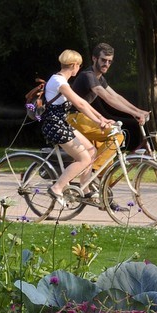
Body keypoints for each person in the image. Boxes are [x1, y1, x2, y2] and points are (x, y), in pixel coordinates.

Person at [41, 50, 114, 203]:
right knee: (84, 159)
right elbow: (80, 104)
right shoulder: (59, 82)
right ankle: (57, 188)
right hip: (55, 126)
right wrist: (98, 121)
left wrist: (102, 118)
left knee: (91, 150)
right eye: (78, 66)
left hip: (61, 124)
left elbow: (84, 103)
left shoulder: (61, 81)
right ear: (74, 65)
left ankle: (85, 188)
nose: (79, 69)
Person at [70, 42, 153, 154]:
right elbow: (108, 98)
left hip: (83, 117)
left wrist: (137, 111)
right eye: (103, 60)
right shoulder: (88, 75)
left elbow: (116, 96)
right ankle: (93, 170)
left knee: (104, 149)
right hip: (74, 117)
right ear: (94, 58)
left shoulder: (100, 78)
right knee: (116, 136)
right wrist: (133, 112)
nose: (107, 64)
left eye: (110, 61)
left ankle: (99, 170)